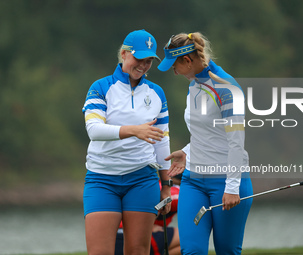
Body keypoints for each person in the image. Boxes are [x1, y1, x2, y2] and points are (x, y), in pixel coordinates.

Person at [158, 32, 253, 255]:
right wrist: (186, 152)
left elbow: (236, 143)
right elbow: (205, 134)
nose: (173, 70)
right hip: (193, 180)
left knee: (227, 251)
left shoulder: (226, 88)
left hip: (225, 181)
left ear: (188, 61)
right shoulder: (194, 85)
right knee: (191, 250)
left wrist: (231, 188)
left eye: (174, 65)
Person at [82, 29, 172, 255]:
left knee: (137, 251)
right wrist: (135, 131)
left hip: (143, 180)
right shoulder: (101, 87)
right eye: (138, 59)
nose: (143, 65)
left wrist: (167, 187)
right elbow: (94, 129)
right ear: (123, 54)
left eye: (149, 60)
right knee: (99, 252)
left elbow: (162, 141)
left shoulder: (157, 93)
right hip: (102, 179)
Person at [115, 179, 181, 255]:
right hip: (130, 236)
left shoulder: (153, 183)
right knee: (191, 239)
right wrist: (150, 225)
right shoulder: (175, 191)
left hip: (113, 236)